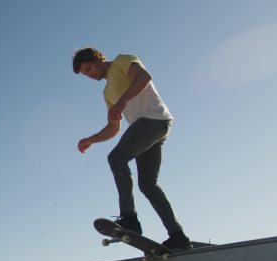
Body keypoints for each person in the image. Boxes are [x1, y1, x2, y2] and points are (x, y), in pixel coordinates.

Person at [72, 47, 192, 250]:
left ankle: (130, 219)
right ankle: (178, 236)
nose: (90, 75)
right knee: (148, 184)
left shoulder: (121, 61)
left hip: (152, 120)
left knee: (116, 159)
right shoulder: (107, 92)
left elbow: (143, 77)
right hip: (147, 129)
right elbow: (113, 127)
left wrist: (122, 102)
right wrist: (92, 139)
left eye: (89, 69)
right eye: (86, 74)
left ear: (98, 58)